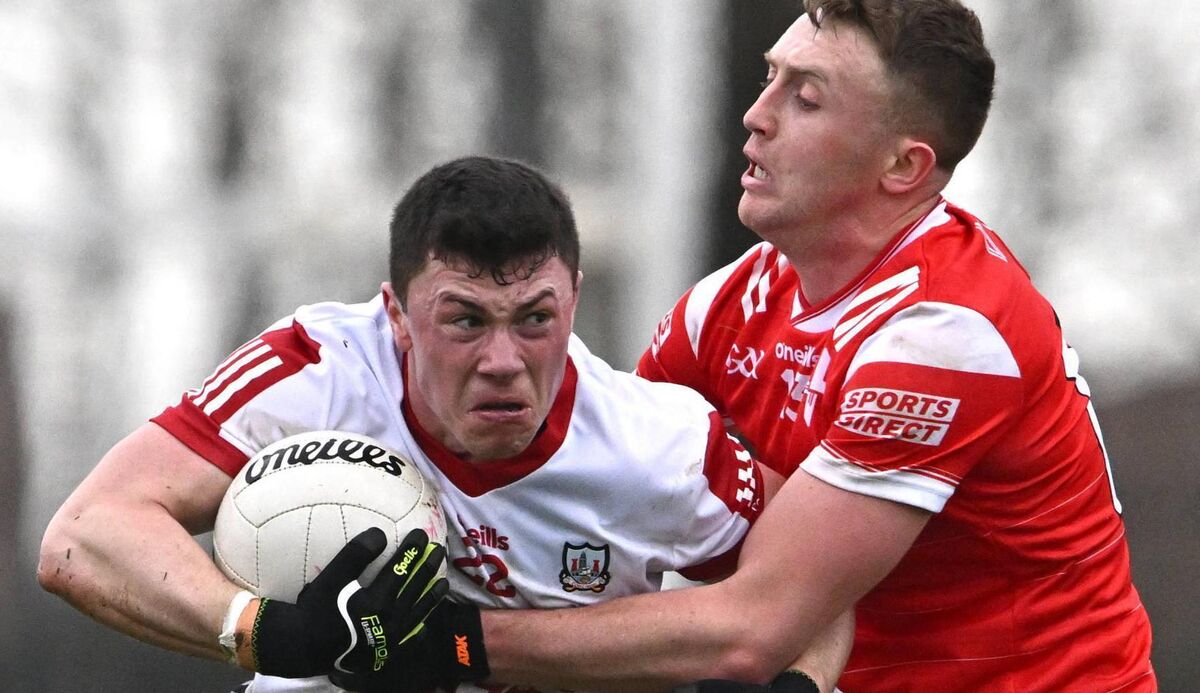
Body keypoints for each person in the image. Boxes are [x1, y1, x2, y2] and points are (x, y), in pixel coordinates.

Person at [379, 2, 1157, 691]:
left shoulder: (947, 335)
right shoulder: (723, 309)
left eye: (805, 97)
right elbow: (610, 509)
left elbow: (755, 627)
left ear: (904, 166)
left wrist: (455, 640)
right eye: (769, 78)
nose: (757, 115)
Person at [37, 156, 850, 693]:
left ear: (574, 299)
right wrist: (261, 631)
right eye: (463, 320)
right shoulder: (315, 373)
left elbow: (816, 592)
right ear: (395, 314)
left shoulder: (661, 447)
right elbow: (86, 535)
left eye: (535, 318)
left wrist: (797, 687)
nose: (503, 358)